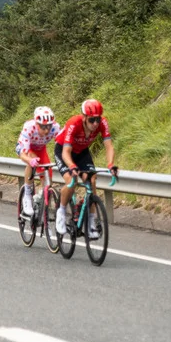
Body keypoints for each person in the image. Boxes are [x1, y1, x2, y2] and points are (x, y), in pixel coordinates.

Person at [53, 99, 117, 239]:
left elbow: (109, 146)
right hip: (64, 150)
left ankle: (91, 221)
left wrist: (110, 164)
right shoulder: (73, 123)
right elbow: (66, 152)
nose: (95, 123)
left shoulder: (102, 123)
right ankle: (61, 212)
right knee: (72, 181)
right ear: (84, 117)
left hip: (82, 152)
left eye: (98, 119)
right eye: (91, 120)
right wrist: (72, 166)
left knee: (92, 179)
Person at [15, 107, 61, 217]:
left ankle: (42, 200)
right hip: (27, 148)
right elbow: (23, 154)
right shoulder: (29, 127)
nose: (46, 130)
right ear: (36, 124)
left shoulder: (55, 128)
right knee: (32, 161)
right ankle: (27, 195)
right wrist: (30, 160)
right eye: (43, 127)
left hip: (41, 149)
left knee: (48, 178)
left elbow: (62, 146)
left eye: (49, 126)